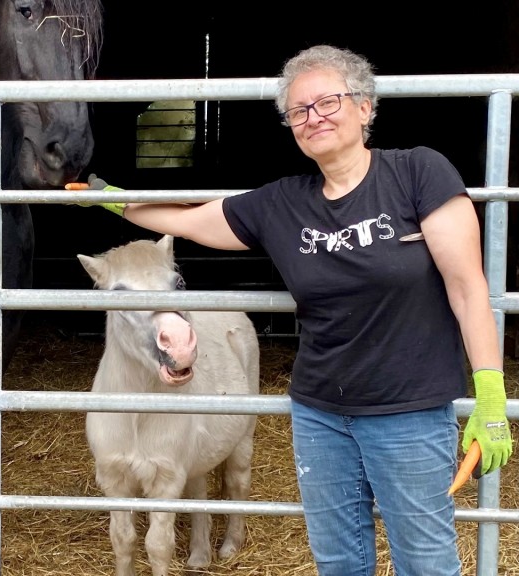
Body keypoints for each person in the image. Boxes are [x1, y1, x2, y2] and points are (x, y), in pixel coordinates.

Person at [75, 45, 513, 576]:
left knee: (424, 559)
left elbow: (467, 288)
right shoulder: (282, 203)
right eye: (299, 111)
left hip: (409, 411)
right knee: (339, 561)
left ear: (365, 107)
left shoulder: (419, 173)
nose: (314, 118)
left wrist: (491, 395)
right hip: (320, 414)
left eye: (328, 102)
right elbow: (190, 219)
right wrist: (113, 198)